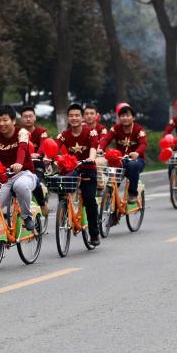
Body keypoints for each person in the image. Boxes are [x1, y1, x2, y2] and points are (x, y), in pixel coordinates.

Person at [56, 103, 101, 246]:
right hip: (71, 170)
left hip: (87, 168)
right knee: (60, 187)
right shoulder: (64, 135)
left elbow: (93, 147)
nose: (74, 118)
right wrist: (48, 158)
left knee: (89, 200)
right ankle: (65, 211)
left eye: (77, 115)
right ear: (68, 118)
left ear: (81, 118)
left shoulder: (90, 132)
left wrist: (92, 158)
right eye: (71, 116)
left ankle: (94, 234)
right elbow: (54, 148)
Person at [99, 105, 147, 203]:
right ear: (119, 117)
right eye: (122, 116)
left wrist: (137, 153)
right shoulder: (116, 128)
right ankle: (111, 193)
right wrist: (100, 149)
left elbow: (143, 144)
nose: (125, 118)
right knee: (111, 174)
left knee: (132, 164)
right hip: (120, 160)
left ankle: (133, 193)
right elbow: (106, 139)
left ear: (133, 117)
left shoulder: (139, 129)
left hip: (137, 161)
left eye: (127, 115)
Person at [19, 104, 49, 216]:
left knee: (35, 180)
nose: (28, 119)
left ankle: (42, 203)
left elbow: (43, 145)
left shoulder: (42, 132)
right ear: (21, 119)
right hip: (20, 164)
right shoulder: (17, 132)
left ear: (35, 118)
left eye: (30, 116)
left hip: (37, 164)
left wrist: (37, 154)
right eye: (25, 116)